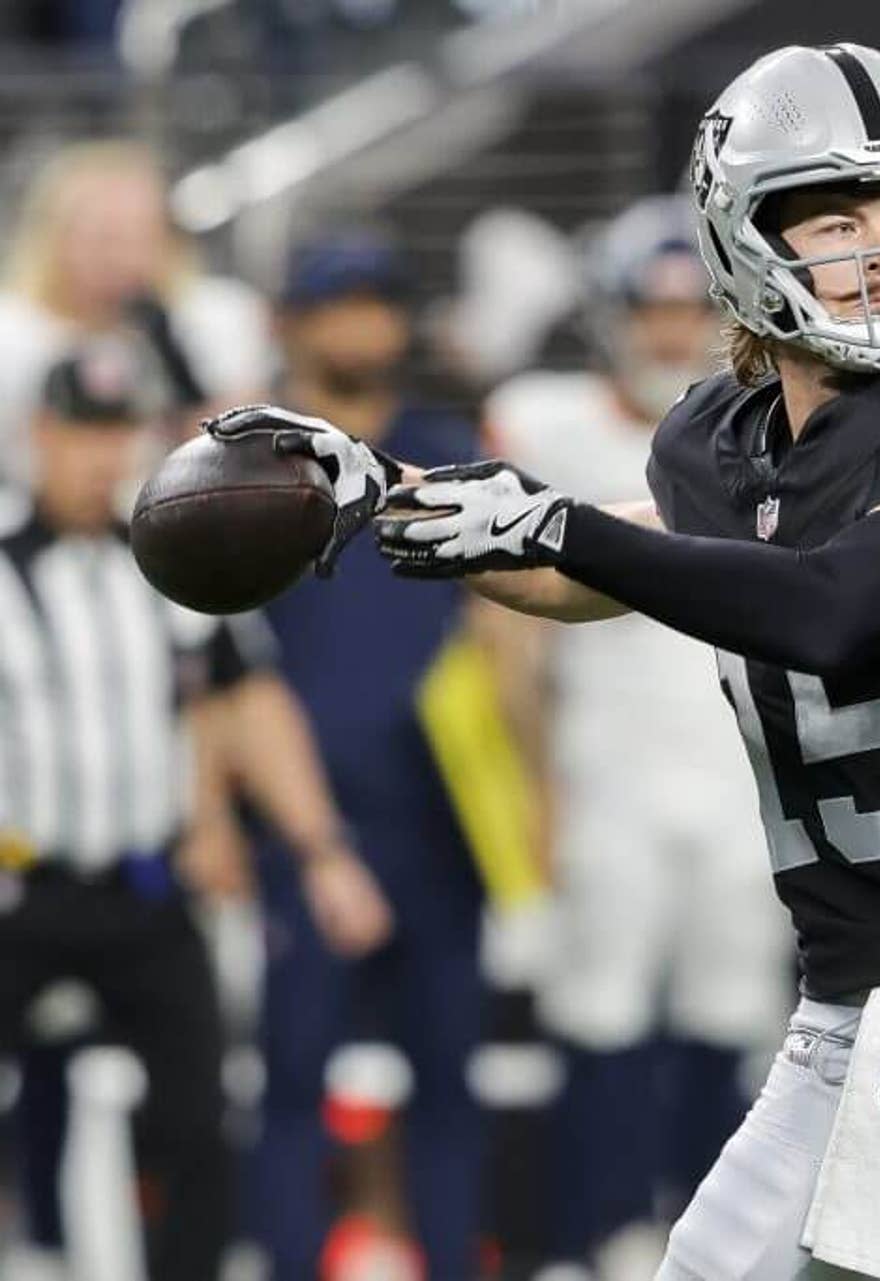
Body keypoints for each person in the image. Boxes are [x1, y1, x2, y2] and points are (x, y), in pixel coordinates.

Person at [209, 40, 880, 1281]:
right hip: (854, 1043)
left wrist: (555, 518)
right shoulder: (715, 441)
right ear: (741, 235)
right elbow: (596, 567)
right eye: (835, 217)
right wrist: (379, 492)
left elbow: (845, 604)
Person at [0, 337, 385, 1281]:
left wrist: (321, 849)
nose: (98, 457)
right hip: (17, 893)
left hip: (146, 885)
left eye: (117, 433)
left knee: (200, 1123)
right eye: (80, 433)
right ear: (37, 435)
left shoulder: (174, 553)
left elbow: (245, 704)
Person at [485, 194, 787, 1269]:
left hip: (738, 767)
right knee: (600, 1013)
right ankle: (595, 1231)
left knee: (728, 1013)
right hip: (605, 766)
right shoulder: (549, 423)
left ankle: (707, 1243)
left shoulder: (764, 430)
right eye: (649, 309)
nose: (667, 332)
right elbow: (506, 635)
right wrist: (533, 783)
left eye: (684, 309)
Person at [244, 228, 496, 1281]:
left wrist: (532, 802)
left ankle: (447, 1259)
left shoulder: (453, 451)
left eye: (379, 303)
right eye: (338, 304)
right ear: (292, 323)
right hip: (303, 822)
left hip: (441, 815)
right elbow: (220, 663)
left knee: (450, 1076)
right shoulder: (243, 469)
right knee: (292, 1076)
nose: (362, 326)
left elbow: (509, 635)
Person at [0, 139, 273, 483]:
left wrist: (171, 354)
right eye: (104, 237)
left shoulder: (214, 316)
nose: (121, 256)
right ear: (54, 238)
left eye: (141, 235)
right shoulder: (11, 333)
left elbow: (240, 451)